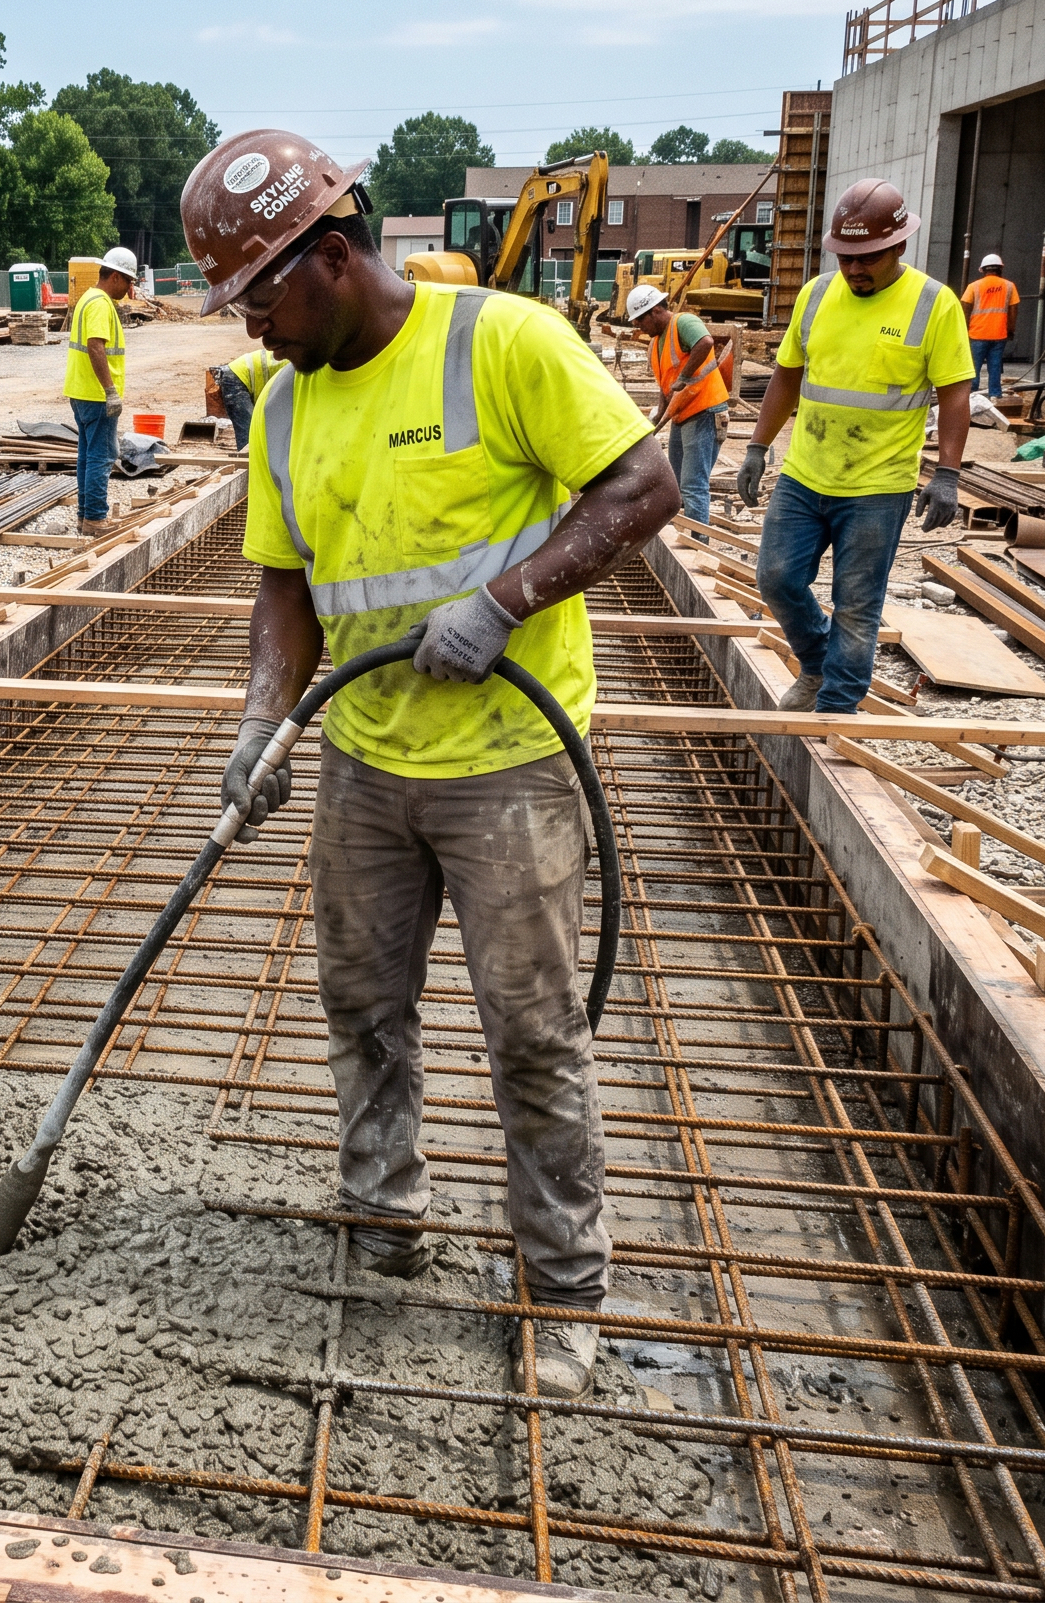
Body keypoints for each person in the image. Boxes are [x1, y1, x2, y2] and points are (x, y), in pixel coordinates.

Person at [182, 128, 680, 1401]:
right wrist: (261, 721)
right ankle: (384, 1220)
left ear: (333, 259)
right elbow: (283, 584)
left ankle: (564, 1290)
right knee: (362, 1009)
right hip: (362, 761)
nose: (253, 336)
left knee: (532, 1036)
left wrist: (509, 598)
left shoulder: (500, 343)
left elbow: (643, 482)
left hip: (511, 762)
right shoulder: (285, 405)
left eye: (260, 302)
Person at [737, 179, 973, 713]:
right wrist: (756, 445)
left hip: (877, 486)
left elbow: (957, 395)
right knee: (775, 578)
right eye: (845, 257)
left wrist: (949, 473)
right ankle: (818, 664)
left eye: (867, 257)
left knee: (857, 605)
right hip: (804, 474)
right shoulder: (816, 295)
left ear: (899, 247)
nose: (854, 269)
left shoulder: (934, 305)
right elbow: (786, 376)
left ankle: (837, 710)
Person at [625, 284, 732, 532]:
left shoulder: (683, 322)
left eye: (639, 320)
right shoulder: (656, 343)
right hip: (683, 415)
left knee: (693, 485)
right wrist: (652, 423)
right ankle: (681, 533)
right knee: (675, 483)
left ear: (654, 311)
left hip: (705, 412)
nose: (637, 327)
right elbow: (667, 389)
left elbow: (705, 342)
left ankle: (696, 545)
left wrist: (684, 375)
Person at [64, 247, 137, 532]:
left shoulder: (87, 298)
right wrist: (110, 390)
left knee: (87, 454)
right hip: (96, 394)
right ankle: (95, 518)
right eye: (129, 281)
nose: (130, 288)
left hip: (81, 391)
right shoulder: (100, 303)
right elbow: (95, 345)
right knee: (102, 456)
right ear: (116, 276)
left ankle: (86, 516)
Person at [961, 253, 1020, 396]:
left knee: (974, 367)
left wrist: (963, 330)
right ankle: (995, 394)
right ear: (1000, 269)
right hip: (999, 334)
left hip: (977, 334)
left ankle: (971, 394)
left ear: (983, 270)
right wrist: (1010, 330)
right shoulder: (1009, 286)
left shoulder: (974, 286)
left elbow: (964, 309)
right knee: (995, 367)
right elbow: (1013, 311)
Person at [215, 347, 281, 452]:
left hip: (243, 373)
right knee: (249, 437)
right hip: (237, 377)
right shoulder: (302, 368)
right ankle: (245, 465)